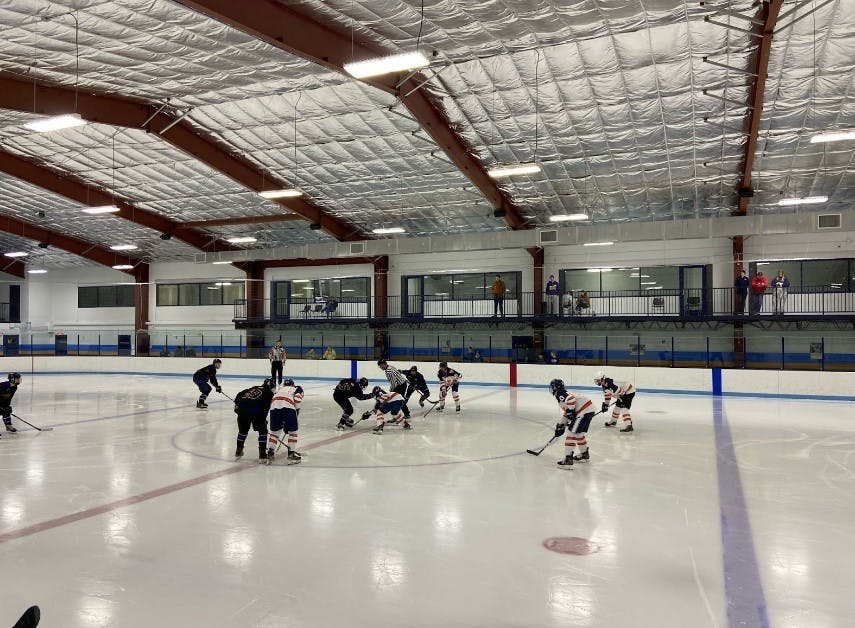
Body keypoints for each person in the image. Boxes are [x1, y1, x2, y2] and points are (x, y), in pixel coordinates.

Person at [549, 379, 596, 469]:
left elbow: (571, 400)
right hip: (588, 409)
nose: (551, 389)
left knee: (571, 433)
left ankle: (568, 459)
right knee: (578, 433)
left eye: (552, 387)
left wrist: (570, 412)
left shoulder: (560, 393)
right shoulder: (562, 393)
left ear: (556, 387)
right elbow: (567, 411)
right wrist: (561, 424)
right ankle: (584, 454)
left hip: (584, 411)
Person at [233, 378, 274, 463]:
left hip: (242, 411)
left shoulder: (255, 387)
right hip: (255, 412)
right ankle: (262, 455)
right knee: (263, 431)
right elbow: (265, 407)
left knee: (243, 431)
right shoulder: (269, 393)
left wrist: (238, 405)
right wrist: (263, 419)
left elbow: (240, 394)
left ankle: (238, 450)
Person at [266, 378, 304, 465]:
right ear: (293, 384)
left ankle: (270, 453)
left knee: (275, 432)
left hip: (274, 407)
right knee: (293, 431)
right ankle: (291, 455)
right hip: (288, 407)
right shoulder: (297, 388)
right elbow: (298, 399)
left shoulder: (278, 390)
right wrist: (296, 412)